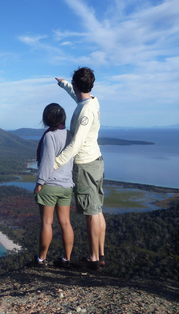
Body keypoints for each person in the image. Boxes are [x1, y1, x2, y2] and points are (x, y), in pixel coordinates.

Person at [54, 67, 106, 270]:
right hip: (96, 161)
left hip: (85, 165)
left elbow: (75, 144)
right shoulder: (92, 101)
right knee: (97, 209)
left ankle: (93, 259)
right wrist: (63, 84)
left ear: (77, 85)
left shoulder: (85, 110)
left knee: (91, 212)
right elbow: (78, 96)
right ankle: (100, 254)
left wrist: (56, 163)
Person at [33, 103, 75, 268]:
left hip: (50, 184)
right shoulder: (70, 135)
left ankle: (42, 259)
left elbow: (47, 161)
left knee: (47, 223)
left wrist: (39, 183)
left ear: (46, 118)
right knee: (66, 223)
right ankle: (67, 259)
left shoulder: (50, 136)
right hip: (66, 186)